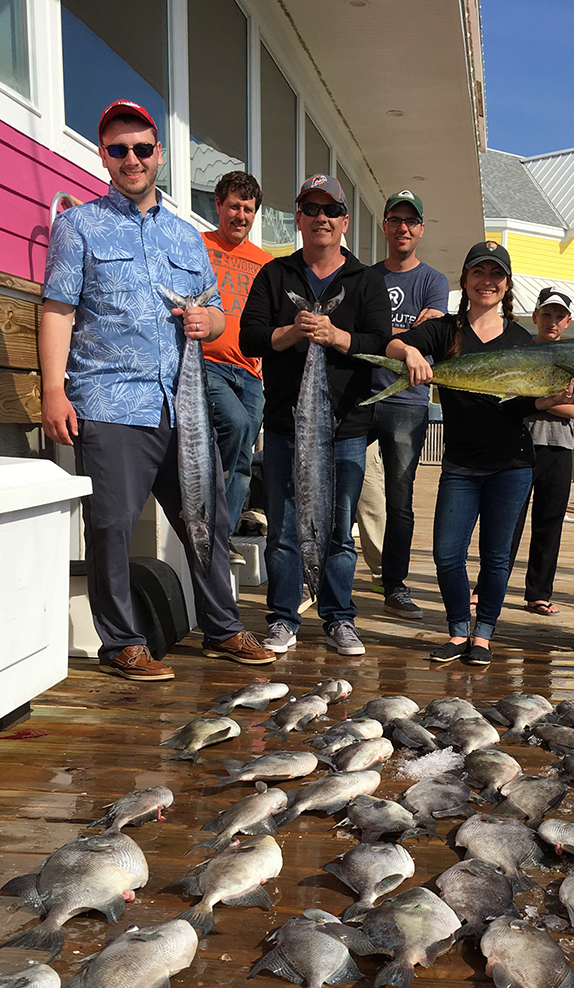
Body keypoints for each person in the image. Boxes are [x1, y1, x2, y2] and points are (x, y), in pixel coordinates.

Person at [39, 99, 274, 682]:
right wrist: (52, 390)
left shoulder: (188, 237)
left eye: (142, 148)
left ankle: (221, 628)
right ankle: (120, 641)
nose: (131, 159)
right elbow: (58, 311)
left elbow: (220, 317)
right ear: (104, 156)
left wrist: (208, 324)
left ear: (159, 155)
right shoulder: (78, 226)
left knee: (211, 517)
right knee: (113, 523)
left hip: (182, 405)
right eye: (118, 150)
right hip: (110, 401)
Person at [388, 241, 574, 666]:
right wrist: (414, 352)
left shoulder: (520, 340)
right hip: (460, 464)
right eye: (479, 272)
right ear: (466, 279)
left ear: (507, 284)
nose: (487, 281)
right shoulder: (445, 329)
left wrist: (548, 402)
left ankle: (484, 636)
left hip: (512, 463)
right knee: (446, 553)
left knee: (496, 558)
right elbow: (393, 346)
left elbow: (520, 405)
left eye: (496, 275)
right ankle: (459, 630)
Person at [238, 174, 392, 657]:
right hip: (286, 423)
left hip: (345, 429)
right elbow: (250, 337)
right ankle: (283, 618)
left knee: (337, 528)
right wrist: (291, 333)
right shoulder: (274, 274)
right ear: (299, 219)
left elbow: (380, 343)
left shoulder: (365, 280)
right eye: (311, 209)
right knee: (283, 527)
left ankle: (338, 617)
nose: (321, 218)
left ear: (344, 221)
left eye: (330, 211)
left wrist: (336, 337)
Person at [358, 190, 449, 619]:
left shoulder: (433, 280)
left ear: (421, 229)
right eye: (395, 220)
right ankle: (325, 575)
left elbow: (423, 338)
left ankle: (394, 583)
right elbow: (373, 334)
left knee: (401, 498)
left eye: (411, 221)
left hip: (409, 401)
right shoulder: (365, 276)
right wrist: (401, 331)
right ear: (385, 227)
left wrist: (387, 332)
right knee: (341, 488)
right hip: (359, 394)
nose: (403, 228)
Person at [201, 171, 273, 544]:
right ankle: (210, 522)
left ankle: (221, 537)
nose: (240, 215)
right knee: (236, 425)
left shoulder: (265, 263)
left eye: (248, 209)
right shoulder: (199, 246)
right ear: (219, 205)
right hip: (207, 365)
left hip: (251, 372)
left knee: (244, 456)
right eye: (234, 206)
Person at [504, 286, 574, 615]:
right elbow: (510, 398)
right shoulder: (521, 349)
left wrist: (534, 400)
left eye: (559, 316)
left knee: (549, 523)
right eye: (546, 314)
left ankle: (538, 593)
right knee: (507, 522)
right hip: (518, 445)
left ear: (567, 322)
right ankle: (487, 587)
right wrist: (552, 398)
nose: (552, 321)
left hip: (559, 449)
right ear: (535, 317)